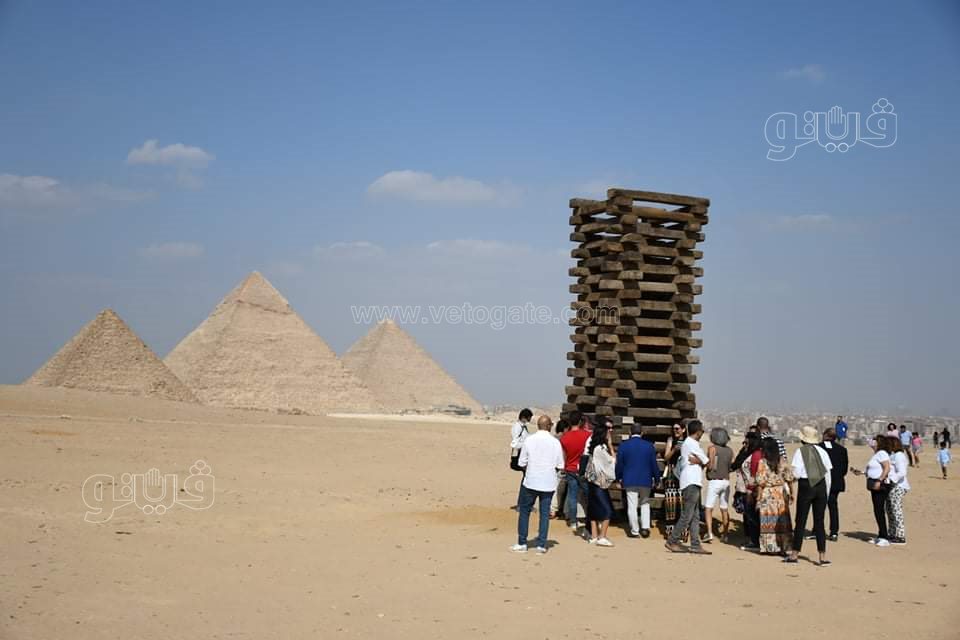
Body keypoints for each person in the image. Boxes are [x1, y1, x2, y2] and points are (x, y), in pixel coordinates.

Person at [511, 415, 565, 554]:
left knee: (524, 511)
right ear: (548, 426)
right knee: (544, 513)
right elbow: (560, 464)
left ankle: (522, 542)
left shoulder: (529, 440)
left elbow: (522, 462)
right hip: (548, 482)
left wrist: (531, 468)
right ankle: (541, 544)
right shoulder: (555, 442)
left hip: (531, 481)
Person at [786, 426, 832, 566]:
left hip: (806, 485)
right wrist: (826, 492)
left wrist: (789, 477)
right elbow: (828, 473)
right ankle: (822, 556)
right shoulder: (822, 451)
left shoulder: (800, 452)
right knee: (819, 522)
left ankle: (795, 554)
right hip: (821, 486)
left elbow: (797, 473)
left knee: (801, 520)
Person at [665, 420, 711, 555]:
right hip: (691, 482)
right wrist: (703, 461)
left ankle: (695, 544)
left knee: (695, 515)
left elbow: (703, 462)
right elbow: (709, 463)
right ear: (698, 432)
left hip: (692, 481)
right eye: (702, 430)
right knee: (688, 514)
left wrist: (700, 462)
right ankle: (672, 540)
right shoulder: (692, 444)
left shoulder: (688, 443)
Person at [615, 423, 660, 539]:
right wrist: (657, 478)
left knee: (632, 505)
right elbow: (653, 464)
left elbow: (619, 464)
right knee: (645, 504)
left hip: (629, 479)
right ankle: (645, 528)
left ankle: (634, 531)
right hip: (645, 479)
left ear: (630, 433)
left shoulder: (624, 446)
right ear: (642, 433)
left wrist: (618, 477)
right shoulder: (649, 446)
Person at [755, 438, 795, 556]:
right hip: (780, 493)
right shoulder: (782, 461)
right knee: (782, 521)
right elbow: (789, 478)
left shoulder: (762, 462)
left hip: (768, 493)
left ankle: (770, 547)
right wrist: (792, 493)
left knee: (768, 520)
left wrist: (758, 497)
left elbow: (760, 481)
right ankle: (784, 546)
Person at [852, 435, 892, 547]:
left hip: (880, 485)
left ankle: (884, 537)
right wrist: (861, 472)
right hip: (873, 483)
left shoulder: (882, 453)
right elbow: (874, 469)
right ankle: (881, 535)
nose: (872, 442)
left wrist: (879, 480)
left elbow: (887, 468)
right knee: (877, 510)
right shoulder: (876, 455)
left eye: (875, 440)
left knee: (879, 510)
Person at [584, 421, 617, 547]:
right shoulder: (601, 449)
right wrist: (610, 446)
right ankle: (602, 536)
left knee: (593, 509)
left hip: (592, 482)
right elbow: (612, 461)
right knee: (607, 510)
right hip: (599, 484)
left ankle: (593, 536)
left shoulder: (594, 448)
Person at [559, 411, 592, 532]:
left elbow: (563, 455)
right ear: (580, 421)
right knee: (589, 495)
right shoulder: (587, 435)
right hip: (583, 469)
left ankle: (573, 521)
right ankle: (591, 519)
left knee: (572, 495)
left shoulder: (564, 437)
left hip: (570, 468)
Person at [818, 427, 848, 541]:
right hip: (837, 482)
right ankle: (834, 531)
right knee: (833, 506)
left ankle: (818, 529)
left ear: (825, 435)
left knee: (819, 507)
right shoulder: (842, 449)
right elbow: (844, 469)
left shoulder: (818, 448)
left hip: (821, 481)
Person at [704, 428, 734, 543]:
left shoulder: (712, 448)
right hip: (726, 481)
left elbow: (711, 465)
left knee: (708, 508)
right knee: (724, 508)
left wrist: (708, 470)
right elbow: (732, 465)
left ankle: (709, 533)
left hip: (714, 481)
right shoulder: (730, 450)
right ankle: (725, 534)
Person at [737, 432, 764, 551]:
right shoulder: (756, 454)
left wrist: (749, 491)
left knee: (753, 517)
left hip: (753, 490)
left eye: (747, 441)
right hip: (754, 488)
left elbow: (754, 474)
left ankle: (755, 542)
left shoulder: (756, 455)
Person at [661, 423, 686, 534]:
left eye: (677, 428)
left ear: (683, 429)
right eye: (673, 428)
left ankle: (682, 531)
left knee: (683, 503)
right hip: (671, 473)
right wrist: (673, 450)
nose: (675, 430)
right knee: (670, 503)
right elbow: (666, 457)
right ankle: (670, 532)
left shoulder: (687, 441)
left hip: (684, 474)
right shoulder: (671, 440)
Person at [886, 436, 910, 545]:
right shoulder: (892, 455)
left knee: (896, 511)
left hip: (899, 486)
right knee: (889, 510)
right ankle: (892, 533)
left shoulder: (899, 456)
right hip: (891, 486)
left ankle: (900, 536)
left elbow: (902, 472)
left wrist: (892, 479)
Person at [509, 409, 533, 508]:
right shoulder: (517, 427)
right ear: (525, 417)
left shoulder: (523, 427)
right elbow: (515, 443)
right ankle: (521, 504)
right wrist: (526, 444)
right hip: (520, 456)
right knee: (526, 480)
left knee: (527, 479)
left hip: (525, 455)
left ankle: (523, 504)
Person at [550, 418, 570, 520]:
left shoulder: (552, 438)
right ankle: (563, 511)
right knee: (560, 490)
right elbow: (563, 454)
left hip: (552, 467)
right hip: (561, 467)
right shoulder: (563, 439)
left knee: (556, 489)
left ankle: (553, 510)